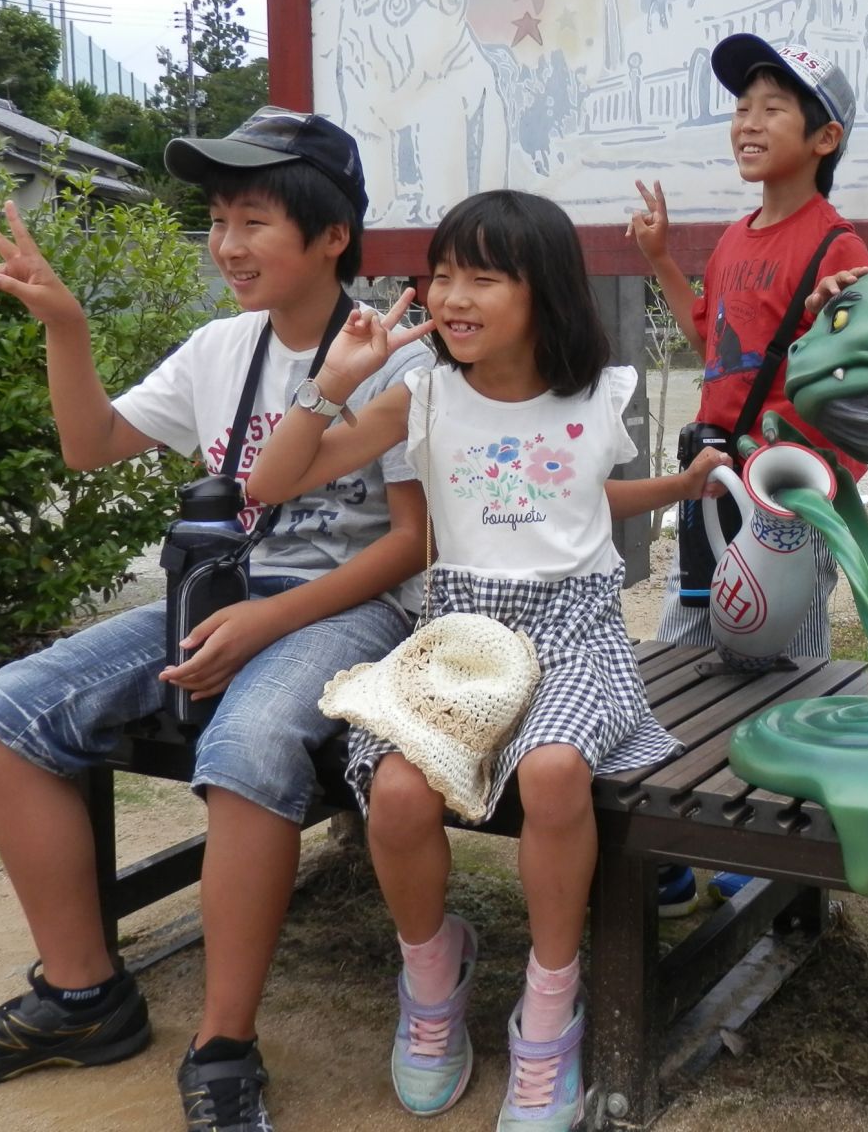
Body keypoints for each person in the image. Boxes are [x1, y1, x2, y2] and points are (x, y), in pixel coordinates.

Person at [0, 108, 431, 1132]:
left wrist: (268, 626)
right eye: (219, 219)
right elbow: (91, 444)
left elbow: (410, 545)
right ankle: (84, 996)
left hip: (352, 608)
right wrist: (67, 325)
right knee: (5, 716)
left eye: (255, 220)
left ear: (333, 235)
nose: (227, 243)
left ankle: (223, 1044)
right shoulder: (220, 348)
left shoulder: (394, 355)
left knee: (245, 747)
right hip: (221, 593)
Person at [247, 189, 729, 1128]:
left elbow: (579, 503)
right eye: (441, 275)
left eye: (482, 277)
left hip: (576, 631)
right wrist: (332, 384)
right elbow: (272, 481)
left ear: (543, 290)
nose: (451, 297)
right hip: (460, 638)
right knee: (396, 791)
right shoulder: (422, 394)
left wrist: (680, 485)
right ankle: (432, 978)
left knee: (553, 772)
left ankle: (551, 1004)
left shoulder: (599, 392)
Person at [628, 33, 868, 910]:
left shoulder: (839, 246)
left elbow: (866, 367)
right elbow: (715, 344)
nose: (749, 122)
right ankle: (669, 839)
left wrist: (846, 315)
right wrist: (662, 257)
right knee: (685, 644)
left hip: (787, 496)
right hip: (713, 476)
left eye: (773, 108)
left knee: (790, 664)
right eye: (742, 107)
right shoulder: (736, 237)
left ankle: (779, 849)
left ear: (825, 138)